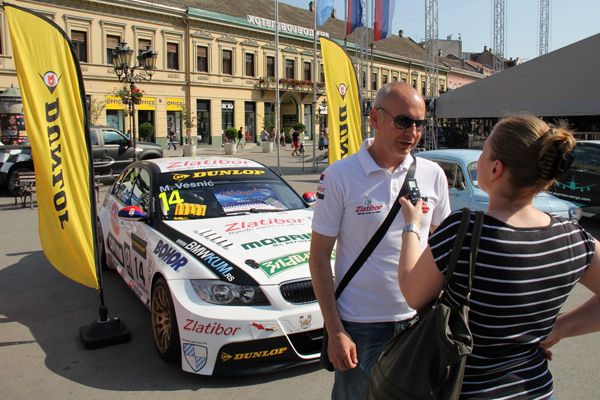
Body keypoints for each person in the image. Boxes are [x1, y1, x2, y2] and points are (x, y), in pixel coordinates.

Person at [397, 114, 600, 399]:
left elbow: (411, 292)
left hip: (467, 390)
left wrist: (412, 225)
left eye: (484, 152)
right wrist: (561, 328)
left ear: (495, 168)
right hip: (536, 390)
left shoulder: (464, 231)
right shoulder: (572, 236)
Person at [309, 81, 451, 400]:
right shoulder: (339, 176)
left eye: (419, 123)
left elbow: (442, 248)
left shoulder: (433, 175)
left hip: (418, 321)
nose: (413, 132)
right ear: (374, 118)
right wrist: (335, 330)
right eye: (403, 121)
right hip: (359, 326)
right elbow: (319, 258)